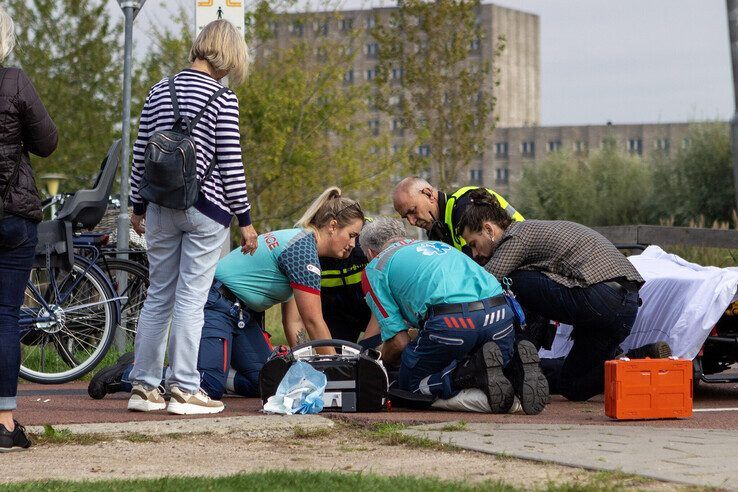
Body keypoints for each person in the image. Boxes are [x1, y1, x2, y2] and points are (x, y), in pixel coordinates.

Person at [89, 188, 365, 403]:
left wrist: (302, 367)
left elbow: (294, 323)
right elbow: (314, 322)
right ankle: (131, 373)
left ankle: (210, 369)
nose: (353, 244)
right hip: (217, 302)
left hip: (240, 313)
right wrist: (337, 373)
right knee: (209, 386)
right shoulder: (302, 250)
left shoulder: (300, 241)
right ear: (331, 225)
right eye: (351, 235)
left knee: (266, 381)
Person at [127, 19, 258, 415]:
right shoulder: (223, 98)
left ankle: (143, 388)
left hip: (161, 208)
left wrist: (137, 206)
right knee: (191, 297)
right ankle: (185, 388)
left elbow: (140, 153)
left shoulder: (159, 91)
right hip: (206, 210)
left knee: (158, 296)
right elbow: (231, 166)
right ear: (229, 54)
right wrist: (246, 221)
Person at [457, 188, 670, 402]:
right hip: (624, 308)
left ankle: (518, 362)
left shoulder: (517, 236)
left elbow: (484, 283)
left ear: (488, 229)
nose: (475, 253)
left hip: (602, 297)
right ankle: (636, 359)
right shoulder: (531, 233)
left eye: (474, 244)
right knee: (572, 385)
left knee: (513, 280)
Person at [359, 217, 548, 415]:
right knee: (482, 358)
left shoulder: (375, 268)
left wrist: (379, 363)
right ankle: (514, 372)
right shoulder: (438, 246)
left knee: (410, 387)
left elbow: (399, 342)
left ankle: (468, 374)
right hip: (500, 313)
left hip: (453, 322)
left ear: (371, 253)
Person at [0, 6, 58, 451]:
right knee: (4, 317)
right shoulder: (14, 80)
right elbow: (47, 142)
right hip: (12, 214)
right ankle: (4, 424)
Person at [392, 176, 523, 254]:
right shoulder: (439, 229)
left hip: (528, 260)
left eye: (412, 211)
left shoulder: (465, 205)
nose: (411, 221)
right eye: (406, 217)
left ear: (428, 194)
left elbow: (475, 266)